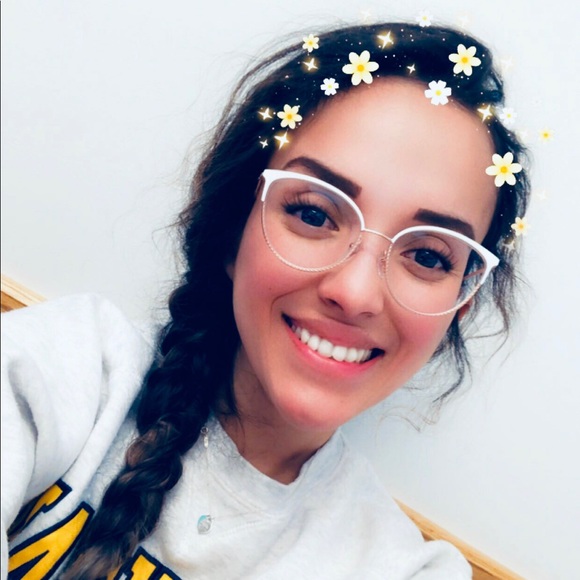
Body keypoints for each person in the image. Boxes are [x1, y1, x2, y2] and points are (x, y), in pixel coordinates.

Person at [1, 20, 529, 580]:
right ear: (235, 225)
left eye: (427, 256)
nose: (355, 293)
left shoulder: (407, 570)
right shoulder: (70, 369)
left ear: (460, 303)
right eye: (313, 214)